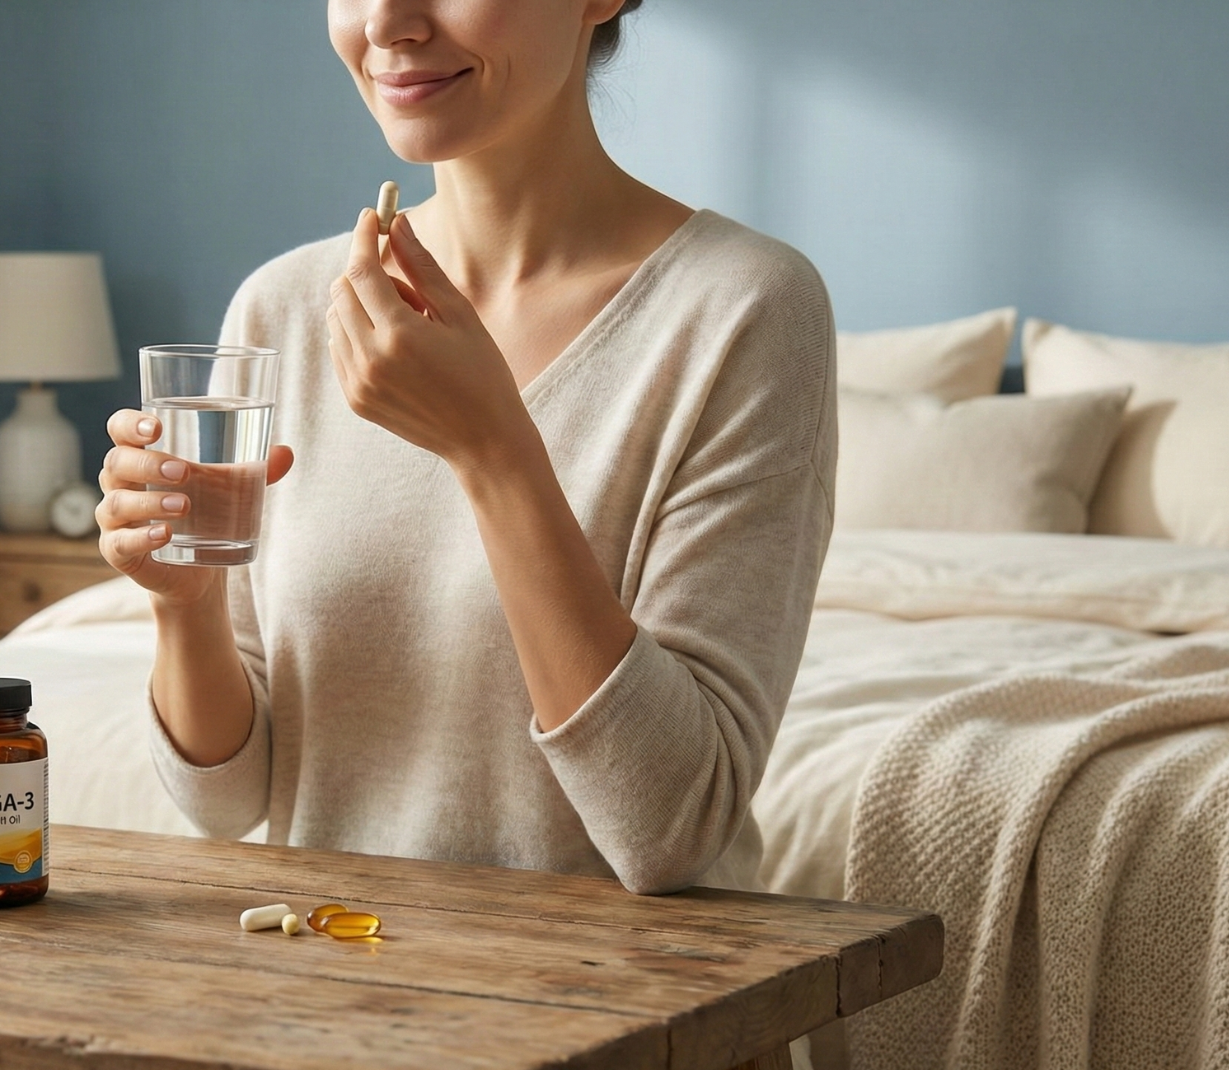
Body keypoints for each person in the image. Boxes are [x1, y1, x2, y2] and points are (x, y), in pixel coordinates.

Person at [95, 0, 835, 894]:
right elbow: (229, 801)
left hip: (635, 1011)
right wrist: (184, 604)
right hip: (337, 993)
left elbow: (671, 831)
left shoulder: (742, 310)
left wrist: (492, 451)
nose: (388, 23)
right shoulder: (284, 306)